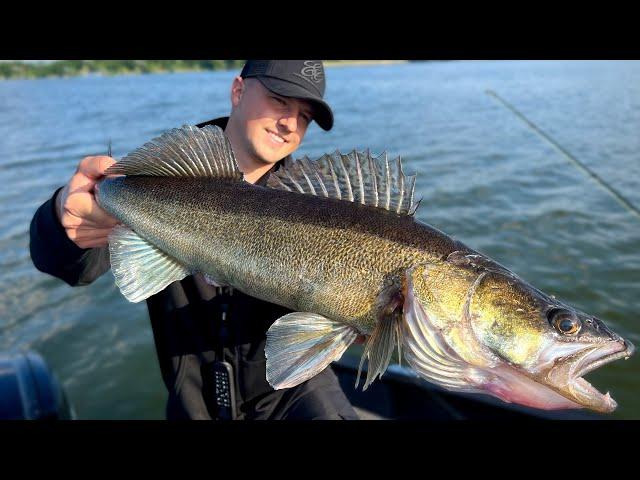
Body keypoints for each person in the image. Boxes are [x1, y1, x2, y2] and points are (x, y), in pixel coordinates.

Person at [29, 60, 360, 420]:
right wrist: (65, 210)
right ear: (237, 91)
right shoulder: (163, 180)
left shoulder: (322, 209)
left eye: (305, 116)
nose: (290, 123)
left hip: (296, 395)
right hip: (194, 404)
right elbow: (70, 265)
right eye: (280, 100)